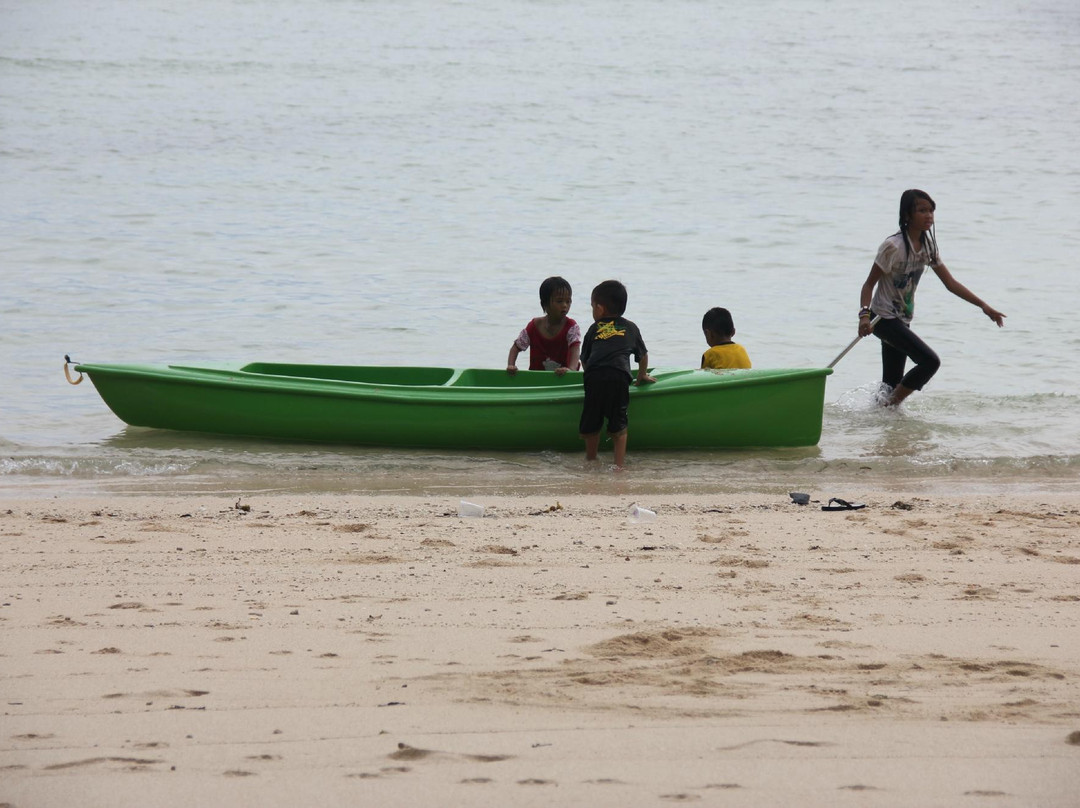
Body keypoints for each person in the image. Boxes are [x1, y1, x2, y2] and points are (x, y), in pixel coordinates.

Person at [858, 189, 1005, 407]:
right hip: (882, 318)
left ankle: (880, 422)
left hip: (902, 319)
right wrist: (864, 316)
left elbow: (951, 283)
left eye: (931, 211)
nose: (928, 215)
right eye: (922, 210)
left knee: (891, 383)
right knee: (930, 361)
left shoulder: (928, 247)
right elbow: (869, 284)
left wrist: (983, 305)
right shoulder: (893, 246)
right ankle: (889, 408)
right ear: (907, 215)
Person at [579, 280, 654, 468]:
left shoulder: (593, 328)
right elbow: (642, 356)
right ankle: (619, 466)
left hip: (595, 376)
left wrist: (591, 376)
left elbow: (584, 360)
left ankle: (591, 459)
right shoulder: (631, 327)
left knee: (592, 421)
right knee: (619, 423)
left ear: (600, 308)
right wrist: (641, 376)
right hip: (619, 376)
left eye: (592, 306)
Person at [506, 276, 581, 376]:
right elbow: (515, 348)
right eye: (559, 301)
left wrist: (571, 370)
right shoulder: (534, 326)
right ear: (545, 304)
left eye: (568, 301)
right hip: (537, 380)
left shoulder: (572, 327)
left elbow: (575, 349)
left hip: (563, 379)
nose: (564, 305)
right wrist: (511, 366)